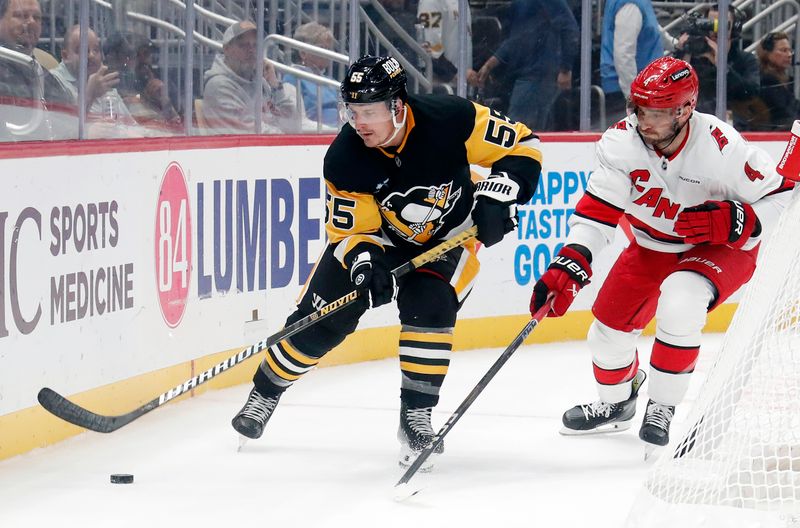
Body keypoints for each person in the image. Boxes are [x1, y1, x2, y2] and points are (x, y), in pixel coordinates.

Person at [231, 55, 542, 468]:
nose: (359, 122)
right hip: (379, 238)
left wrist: (501, 194)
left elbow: (523, 144)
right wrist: (364, 264)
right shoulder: (345, 156)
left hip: (448, 237)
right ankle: (265, 392)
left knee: (430, 305)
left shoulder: (450, 118)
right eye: (353, 111)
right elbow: (349, 231)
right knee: (324, 321)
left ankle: (416, 416)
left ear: (398, 106)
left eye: (370, 112)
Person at [529, 56, 794, 449]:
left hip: (719, 248)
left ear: (686, 109)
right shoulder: (620, 144)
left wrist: (738, 220)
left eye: (657, 112)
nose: (644, 121)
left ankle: (663, 405)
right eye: (639, 109)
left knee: (680, 300)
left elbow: (784, 200)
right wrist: (574, 258)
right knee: (605, 334)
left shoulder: (723, 147)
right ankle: (617, 404)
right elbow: (599, 212)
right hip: (653, 245)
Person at [474, 0, 578, 131]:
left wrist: (565, 68)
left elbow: (569, 27)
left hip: (538, 75)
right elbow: (516, 37)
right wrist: (490, 64)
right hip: (526, 74)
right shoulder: (519, 4)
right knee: (531, 131)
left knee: (515, 132)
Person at [202, 20, 300, 134]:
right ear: (226, 49)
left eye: (255, 45)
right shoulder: (218, 86)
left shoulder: (261, 81)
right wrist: (287, 139)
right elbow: (250, 133)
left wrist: (276, 86)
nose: (251, 50)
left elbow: (294, 125)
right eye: (243, 45)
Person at [674, 4, 759, 129]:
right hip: (692, 125)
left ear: (734, 28)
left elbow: (751, 93)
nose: (716, 29)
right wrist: (683, 54)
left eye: (724, 24)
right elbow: (674, 92)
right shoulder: (691, 54)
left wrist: (722, 67)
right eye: (711, 23)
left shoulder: (746, 60)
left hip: (733, 128)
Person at [0, 0, 74, 141]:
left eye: (37, 17)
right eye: (22, 15)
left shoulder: (45, 75)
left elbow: (70, 117)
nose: (31, 22)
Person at [50, 25, 137, 127]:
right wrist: (90, 94)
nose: (91, 55)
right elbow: (64, 129)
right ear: (65, 56)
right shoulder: (53, 81)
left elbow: (132, 126)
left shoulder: (102, 81)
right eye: (83, 50)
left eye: (96, 50)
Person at [600, 0, 664, 124]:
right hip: (626, 90)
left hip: (642, 90)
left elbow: (653, 27)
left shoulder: (640, 3)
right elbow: (624, 56)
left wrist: (675, 43)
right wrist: (635, 99)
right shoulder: (630, 5)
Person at [103, 31, 181, 129]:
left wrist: (164, 100)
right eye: (135, 55)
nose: (143, 60)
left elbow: (178, 123)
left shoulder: (159, 80)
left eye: (147, 54)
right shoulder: (114, 82)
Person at [281, 22, 339, 129]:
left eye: (329, 49)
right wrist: (335, 131)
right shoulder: (292, 78)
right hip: (318, 138)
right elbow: (299, 123)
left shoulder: (331, 81)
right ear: (303, 53)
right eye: (322, 48)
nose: (328, 53)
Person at [417, 0, 472, 93]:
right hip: (442, 89)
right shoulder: (431, 2)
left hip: (461, 88)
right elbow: (430, 51)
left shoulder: (462, 2)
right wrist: (454, 74)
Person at [753, 31, 799, 131]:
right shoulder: (765, 80)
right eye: (783, 50)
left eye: (790, 50)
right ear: (767, 53)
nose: (789, 54)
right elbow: (785, 113)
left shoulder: (786, 79)